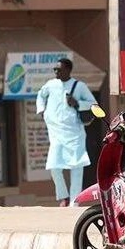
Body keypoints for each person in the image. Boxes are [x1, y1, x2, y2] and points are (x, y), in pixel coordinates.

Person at [36, 58, 96, 207]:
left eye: (59, 69)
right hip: (56, 133)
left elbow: (93, 104)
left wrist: (78, 103)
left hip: (75, 133)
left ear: (68, 70)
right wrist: (42, 110)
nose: (56, 72)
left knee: (76, 168)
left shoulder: (79, 86)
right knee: (54, 167)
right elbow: (40, 95)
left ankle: (74, 202)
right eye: (55, 69)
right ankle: (63, 196)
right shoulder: (50, 85)